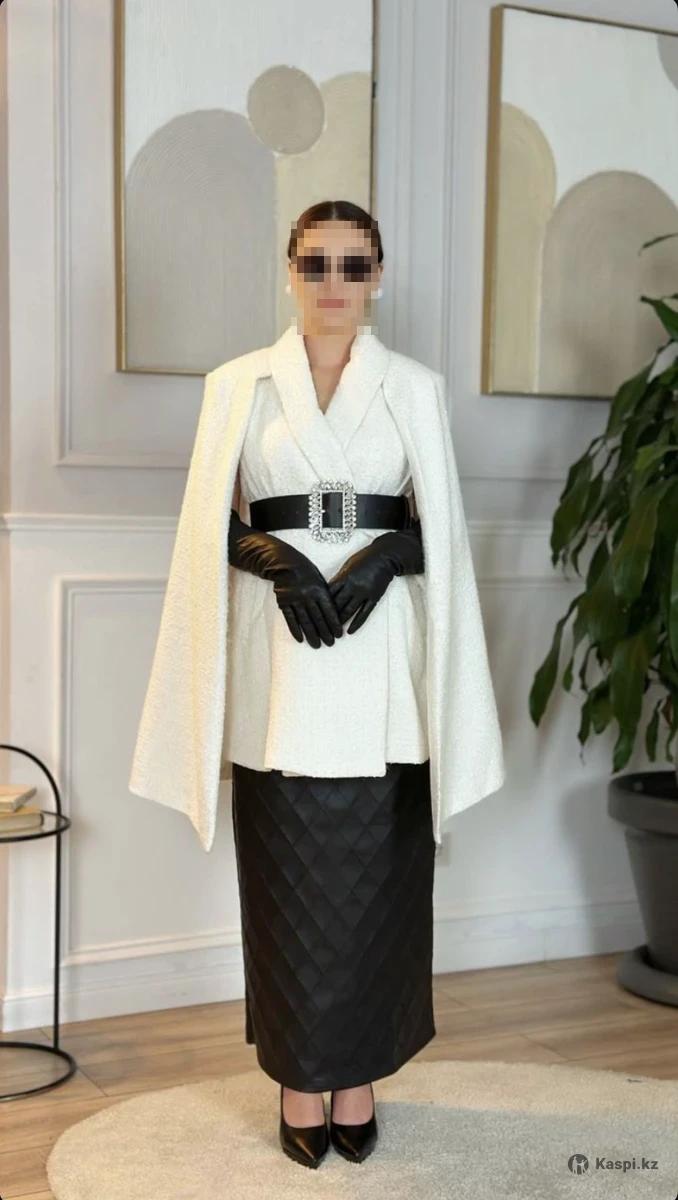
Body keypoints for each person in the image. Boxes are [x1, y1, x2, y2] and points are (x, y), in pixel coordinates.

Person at [128, 197, 506, 1171]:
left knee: (379, 880)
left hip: (381, 658)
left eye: (353, 265)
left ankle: (360, 1076)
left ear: (378, 276)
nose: (333, 284)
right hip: (283, 657)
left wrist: (384, 558)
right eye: (316, 264)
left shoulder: (414, 388)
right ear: (289, 270)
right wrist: (272, 556)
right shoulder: (237, 385)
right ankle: (301, 1079)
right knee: (288, 879)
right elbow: (205, 519)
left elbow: (442, 525)